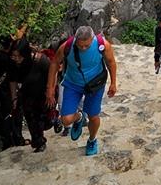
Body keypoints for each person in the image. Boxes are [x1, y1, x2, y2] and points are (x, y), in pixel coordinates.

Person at [46, 25, 117, 158]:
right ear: (76, 40)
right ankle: (79, 117)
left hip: (95, 84)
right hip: (73, 83)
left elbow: (111, 62)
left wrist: (113, 83)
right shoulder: (67, 46)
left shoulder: (102, 45)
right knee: (66, 120)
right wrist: (50, 88)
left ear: (92, 39)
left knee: (93, 116)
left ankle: (92, 139)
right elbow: (55, 63)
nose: (83, 48)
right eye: (80, 46)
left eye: (87, 46)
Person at [10, 38, 50, 152]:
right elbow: (12, 80)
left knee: (45, 120)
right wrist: (14, 98)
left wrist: (50, 91)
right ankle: (39, 142)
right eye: (14, 56)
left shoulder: (40, 60)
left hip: (43, 93)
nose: (16, 59)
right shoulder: (13, 63)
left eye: (19, 56)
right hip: (26, 94)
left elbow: (52, 74)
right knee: (32, 119)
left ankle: (53, 122)